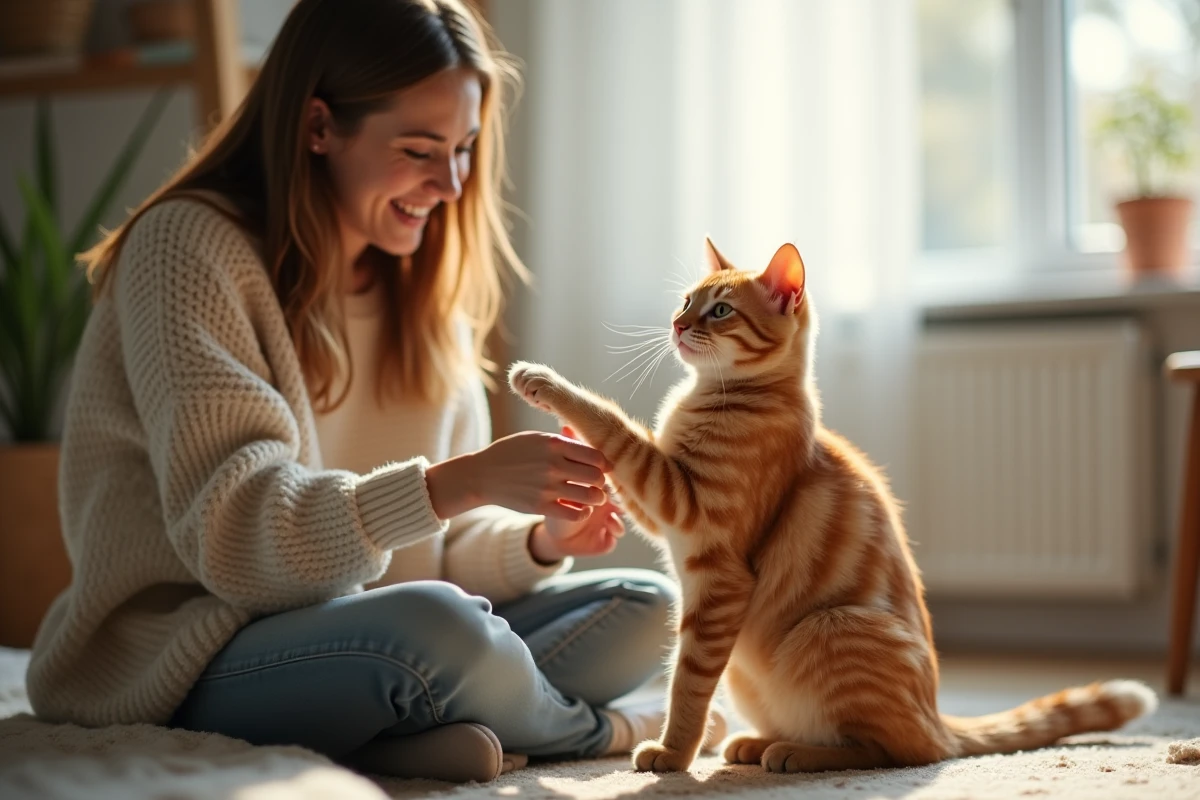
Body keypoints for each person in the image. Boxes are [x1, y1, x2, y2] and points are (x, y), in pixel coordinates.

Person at [26, 0, 688, 783]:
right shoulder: (187, 248)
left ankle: (397, 733)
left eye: (464, 148)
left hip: (370, 633)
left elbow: (435, 554)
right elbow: (236, 540)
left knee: (649, 606)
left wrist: (543, 540)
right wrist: (460, 483)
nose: (450, 183)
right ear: (318, 126)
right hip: (193, 647)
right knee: (437, 629)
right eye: (419, 150)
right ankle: (598, 731)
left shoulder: (419, 284)